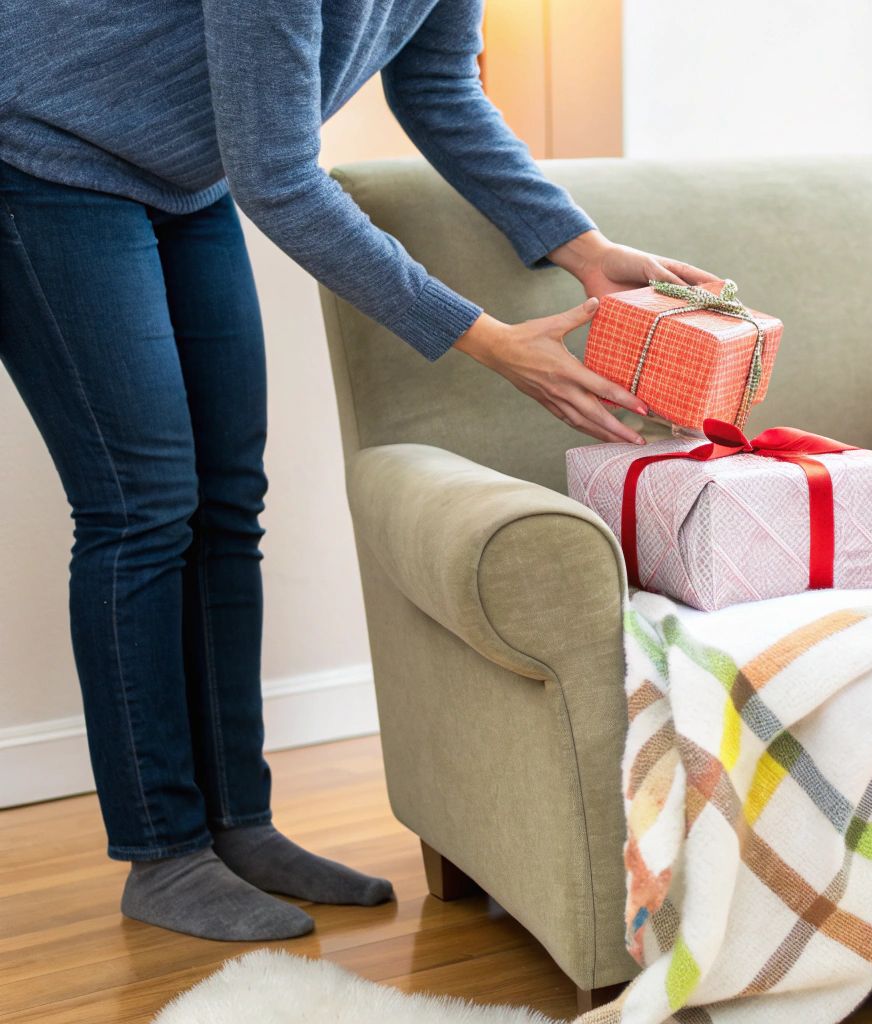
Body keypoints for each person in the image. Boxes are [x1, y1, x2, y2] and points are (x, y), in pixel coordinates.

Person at [0, 0, 713, 941]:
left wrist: (583, 248)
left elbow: (441, 87)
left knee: (224, 505)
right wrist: (486, 338)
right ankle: (163, 854)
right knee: (141, 508)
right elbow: (283, 180)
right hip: (41, 159)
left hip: (183, 178)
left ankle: (237, 825)